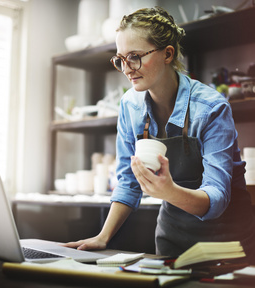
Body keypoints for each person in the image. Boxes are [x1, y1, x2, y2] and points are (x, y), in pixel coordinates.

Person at [64, 6, 255, 263]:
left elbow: (218, 198)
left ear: (167, 54)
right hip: (172, 237)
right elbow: (128, 182)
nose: (127, 68)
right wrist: (103, 237)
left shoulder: (210, 108)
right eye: (120, 59)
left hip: (227, 242)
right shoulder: (130, 106)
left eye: (135, 56)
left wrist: (168, 192)